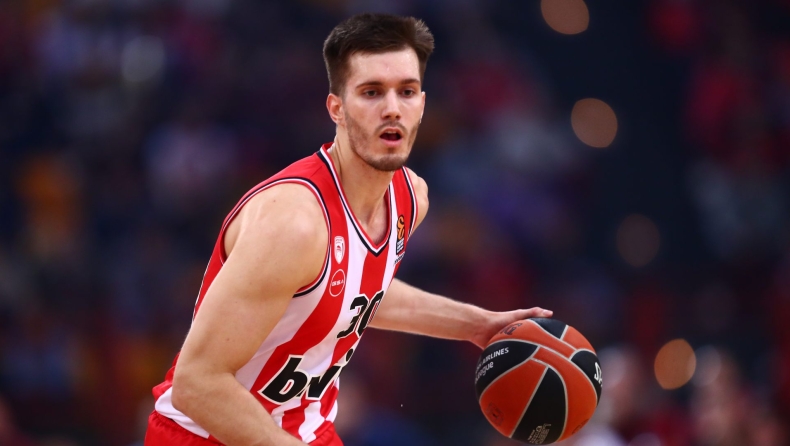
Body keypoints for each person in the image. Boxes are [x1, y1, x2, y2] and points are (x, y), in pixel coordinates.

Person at [144, 13, 553, 446]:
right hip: (207, 434)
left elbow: (356, 292)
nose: (392, 108)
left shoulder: (410, 198)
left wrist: (476, 324)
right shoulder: (294, 224)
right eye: (372, 92)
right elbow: (197, 384)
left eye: (406, 92)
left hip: (305, 430)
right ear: (336, 108)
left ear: (421, 105)